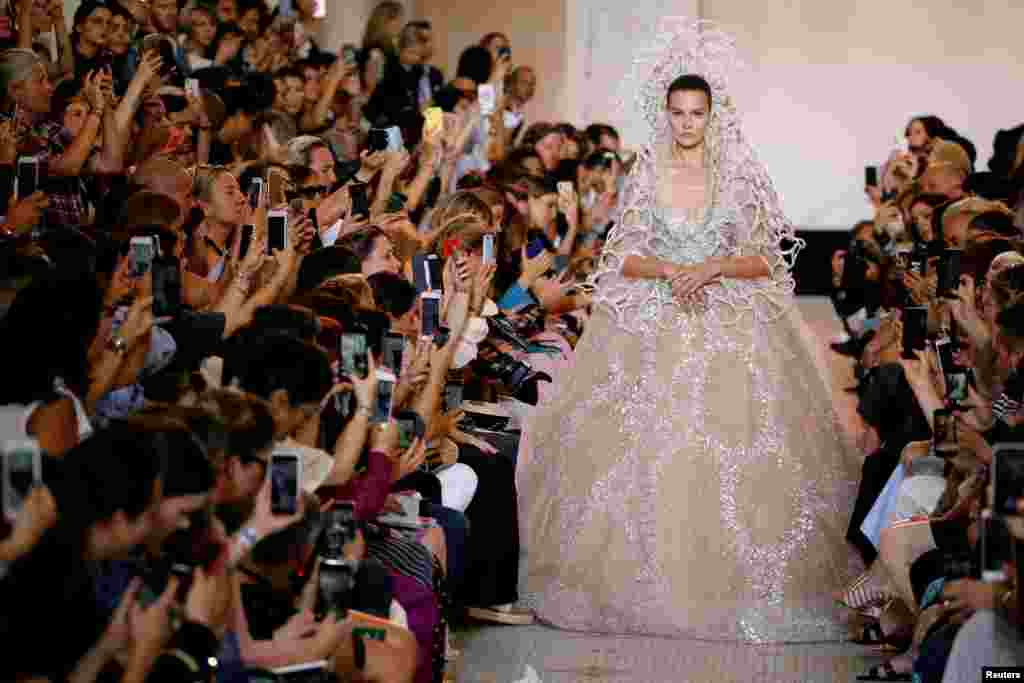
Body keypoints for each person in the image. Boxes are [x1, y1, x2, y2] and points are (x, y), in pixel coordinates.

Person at [518, 18, 861, 643]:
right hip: (655, 318)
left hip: (726, 321)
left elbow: (765, 259)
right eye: (677, 113)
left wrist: (713, 267)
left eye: (696, 113)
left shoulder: (739, 176)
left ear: (713, 114)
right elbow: (622, 256)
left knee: (731, 449)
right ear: (665, 113)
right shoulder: (646, 174)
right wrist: (671, 270)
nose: (686, 124)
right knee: (644, 447)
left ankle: (728, 582)